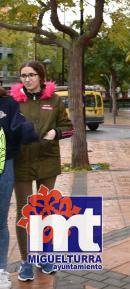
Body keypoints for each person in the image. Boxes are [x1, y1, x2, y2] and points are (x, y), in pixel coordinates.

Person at [10, 61, 72, 281]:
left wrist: (56, 132)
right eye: (23, 75)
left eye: (32, 75)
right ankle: (26, 261)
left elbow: (69, 128)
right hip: (22, 162)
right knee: (25, 210)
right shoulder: (14, 102)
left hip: (47, 161)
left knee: (45, 209)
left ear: (41, 76)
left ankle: (45, 255)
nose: (27, 79)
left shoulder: (54, 100)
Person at [0, 86, 37, 289]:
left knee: (0, 220)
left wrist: (29, 130)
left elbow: (18, 126)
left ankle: (1, 271)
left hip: (4, 164)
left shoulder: (9, 104)